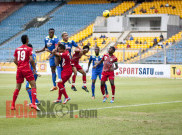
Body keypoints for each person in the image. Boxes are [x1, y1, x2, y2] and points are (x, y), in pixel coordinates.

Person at [11, 35, 40, 111]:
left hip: (19, 70)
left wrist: (19, 65)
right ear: (27, 40)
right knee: (33, 85)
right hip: (26, 69)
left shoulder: (17, 49)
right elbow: (31, 60)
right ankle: (33, 104)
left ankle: (13, 105)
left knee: (18, 87)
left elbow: (14, 60)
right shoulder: (29, 49)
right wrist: (34, 68)